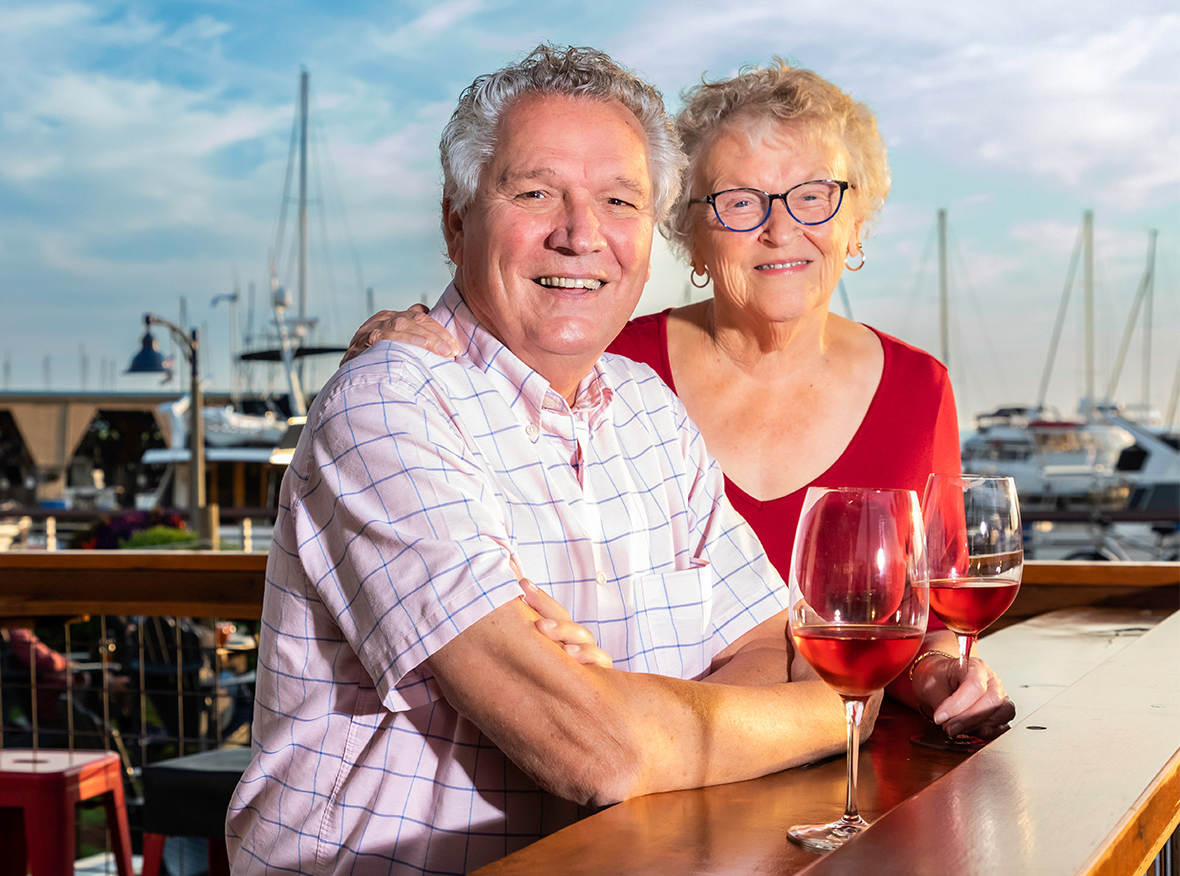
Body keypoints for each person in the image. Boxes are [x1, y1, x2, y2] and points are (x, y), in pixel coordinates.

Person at [228, 45, 858, 876]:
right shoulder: (391, 404)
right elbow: (593, 753)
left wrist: (643, 716)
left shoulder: (646, 412)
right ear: (456, 222)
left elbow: (783, 654)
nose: (581, 234)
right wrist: (844, 709)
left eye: (618, 200)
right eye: (535, 194)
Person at [343, 59, 1015, 740]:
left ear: (857, 221)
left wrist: (940, 674)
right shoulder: (609, 364)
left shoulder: (915, 389)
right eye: (739, 202)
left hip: (805, 772)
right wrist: (390, 350)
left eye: (813, 196)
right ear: (689, 232)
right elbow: (463, 391)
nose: (779, 231)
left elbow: (924, 623)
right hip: (681, 774)